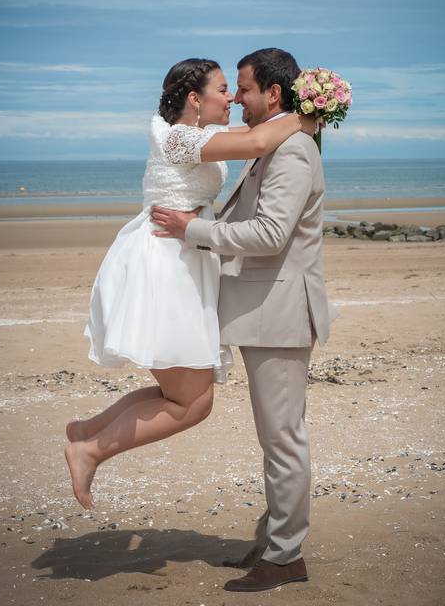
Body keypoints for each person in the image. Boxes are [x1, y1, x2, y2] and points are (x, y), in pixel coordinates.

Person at [66, 58, 317, 511]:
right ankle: (89, 449)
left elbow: (256, 140)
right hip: (165, 264)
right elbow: (260, 140)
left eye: (237, 89)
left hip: (182, 261)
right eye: (224, 90)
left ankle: (87, 432)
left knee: (179, 393)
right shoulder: (180, 136)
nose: (233, 98)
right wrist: (309, 116)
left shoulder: (195, 136)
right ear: (195, 100)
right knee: (193, 403)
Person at [150, 47, 336, 592]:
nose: (238, 98)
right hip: (265, 310)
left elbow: (270, 235)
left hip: (279, 312)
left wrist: (192, 231)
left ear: (273, 94)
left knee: (282, 438)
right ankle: (271, 540)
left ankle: (284, 557)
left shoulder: (293, 150)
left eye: (245, 88)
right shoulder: (274, 145)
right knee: (275, 436)